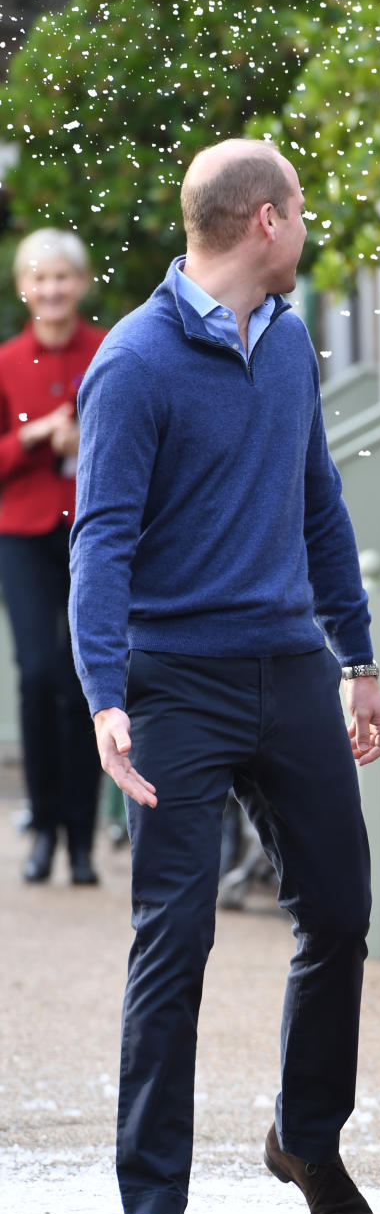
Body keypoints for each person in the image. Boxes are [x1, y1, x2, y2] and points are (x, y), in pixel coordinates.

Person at [69, 139, 380, 1214]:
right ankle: (151, 1208)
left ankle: (307, 1139)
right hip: (178, 681)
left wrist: (356, 655)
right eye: (300, 209)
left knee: (342, 908)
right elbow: (100, 535)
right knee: (177, 936)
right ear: (265, 222)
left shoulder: (291, 342)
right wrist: (108, 694)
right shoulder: (135, 363)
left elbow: (318, 498)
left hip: (290, 667)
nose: (306, 227)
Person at [0, 229, 105, 885]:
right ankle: (42, 825)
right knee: (38, 675)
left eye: (62, 277)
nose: (52, 289)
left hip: (92, 532)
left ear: (82, 283)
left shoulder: (108, 351)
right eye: (39, 278)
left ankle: (84, 838)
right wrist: (36, 435)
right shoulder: (8, 361)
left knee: (84, 681)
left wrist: (83, 433)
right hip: (23, 532)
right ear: (23, 289)